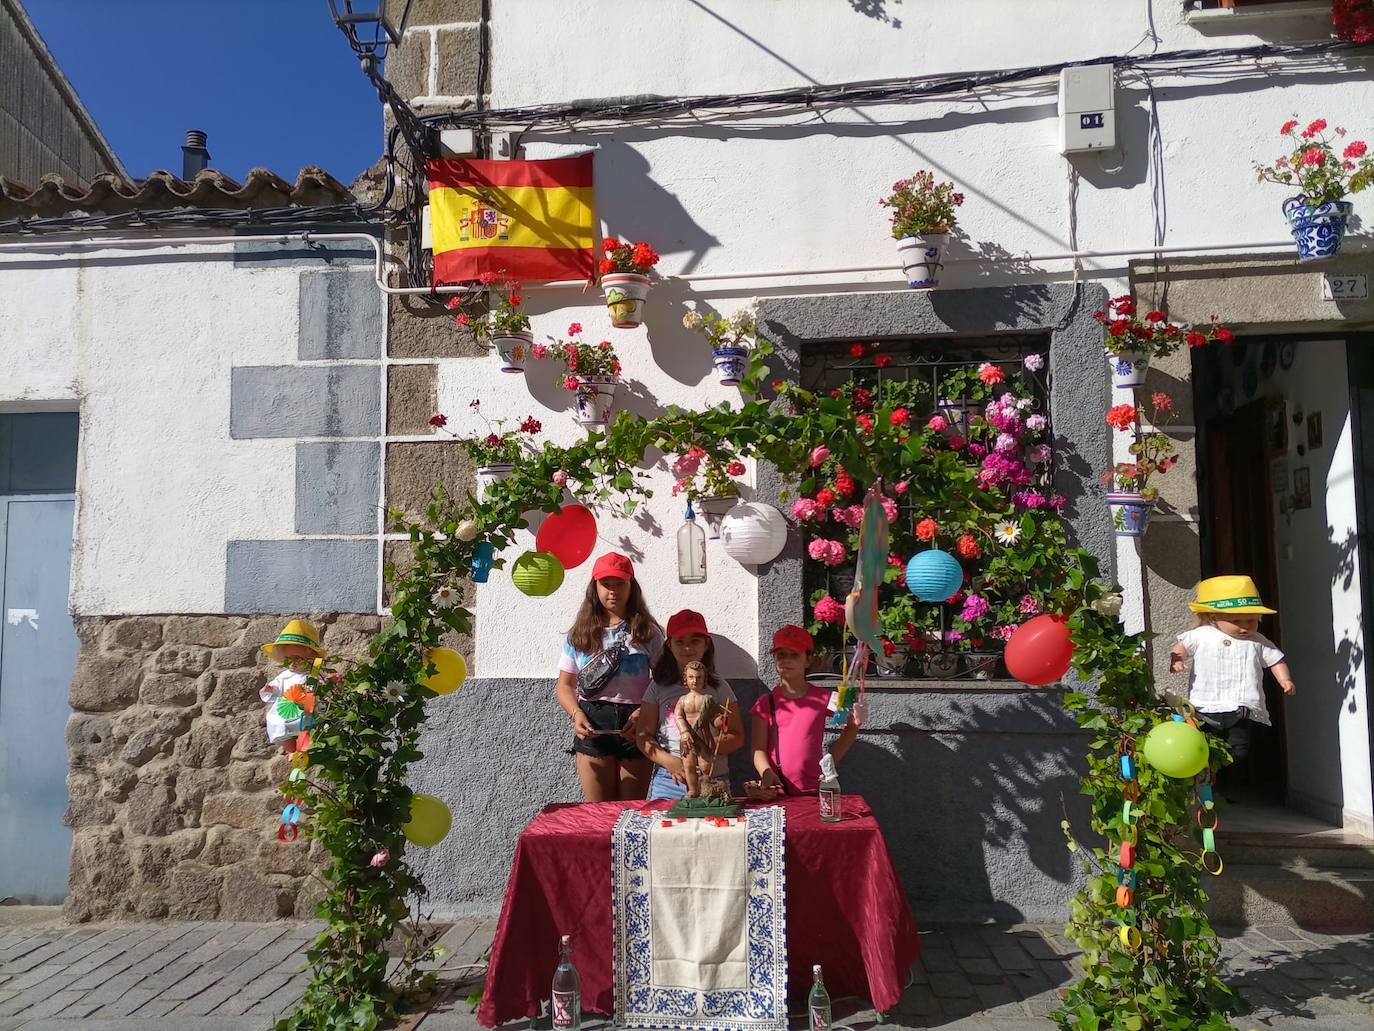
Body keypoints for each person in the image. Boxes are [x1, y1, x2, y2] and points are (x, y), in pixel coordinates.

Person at [555, 552, 664, 801]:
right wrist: (577, 714)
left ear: (631, 586)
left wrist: (643, 714)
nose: (612, 591)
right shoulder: (580, 634)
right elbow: (564, 686)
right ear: (595, 587)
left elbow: (663, 682)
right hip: (592, 719)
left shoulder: (648, 632)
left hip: (636, 722)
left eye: (620, 584)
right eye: (606, 584)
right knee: (598, 814)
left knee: (631, 812)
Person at [1169, 575, 1296, 784]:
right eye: (1236, 621)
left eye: (1251, 620)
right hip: (1205, 707)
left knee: (1238, 749)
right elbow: (1181, 647)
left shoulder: (1258, 641)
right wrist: (1177, 659)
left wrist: (1285, 679)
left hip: (1240, 709)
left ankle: (1215, 771)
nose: (1245, 627)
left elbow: (1276, 660)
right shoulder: (1202, 635)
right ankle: (1202, 770)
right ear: (1212, 617)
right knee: (1201, 741)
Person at [638, 610, 744, 802]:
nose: (687, 648)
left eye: (695, 641)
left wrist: (707, 746)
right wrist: (668, 762)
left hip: (713, 776)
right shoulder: (658, 686)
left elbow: (737, 736)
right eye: (680, 641)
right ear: (669, 645)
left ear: (706, 644)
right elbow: (643, 735)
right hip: (669, 782)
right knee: (665, 831)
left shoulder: (719, 687)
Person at [751, 624, 858, 795]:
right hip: (777, 789)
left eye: (794, 655)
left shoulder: (823, 698)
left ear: (808, 660)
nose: (787, 660)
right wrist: (766, 771)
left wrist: (832, 760)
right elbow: (758, 748)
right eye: (781, 655)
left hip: (813, 789)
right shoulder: (765, 703)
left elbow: (852, 725)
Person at [259, 619, 325, 754]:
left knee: (308, 723)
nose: (293, 663)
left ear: (311, 657)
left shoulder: (315, 674)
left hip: (308, 709)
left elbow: (325, 687)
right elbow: (276, 689)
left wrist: (327, 685)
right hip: (288, 710)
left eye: (298, 658)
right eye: (288, 659)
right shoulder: (285, 676)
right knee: (276, 722)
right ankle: (291, 751)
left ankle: (304, 747)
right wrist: (270, 690)